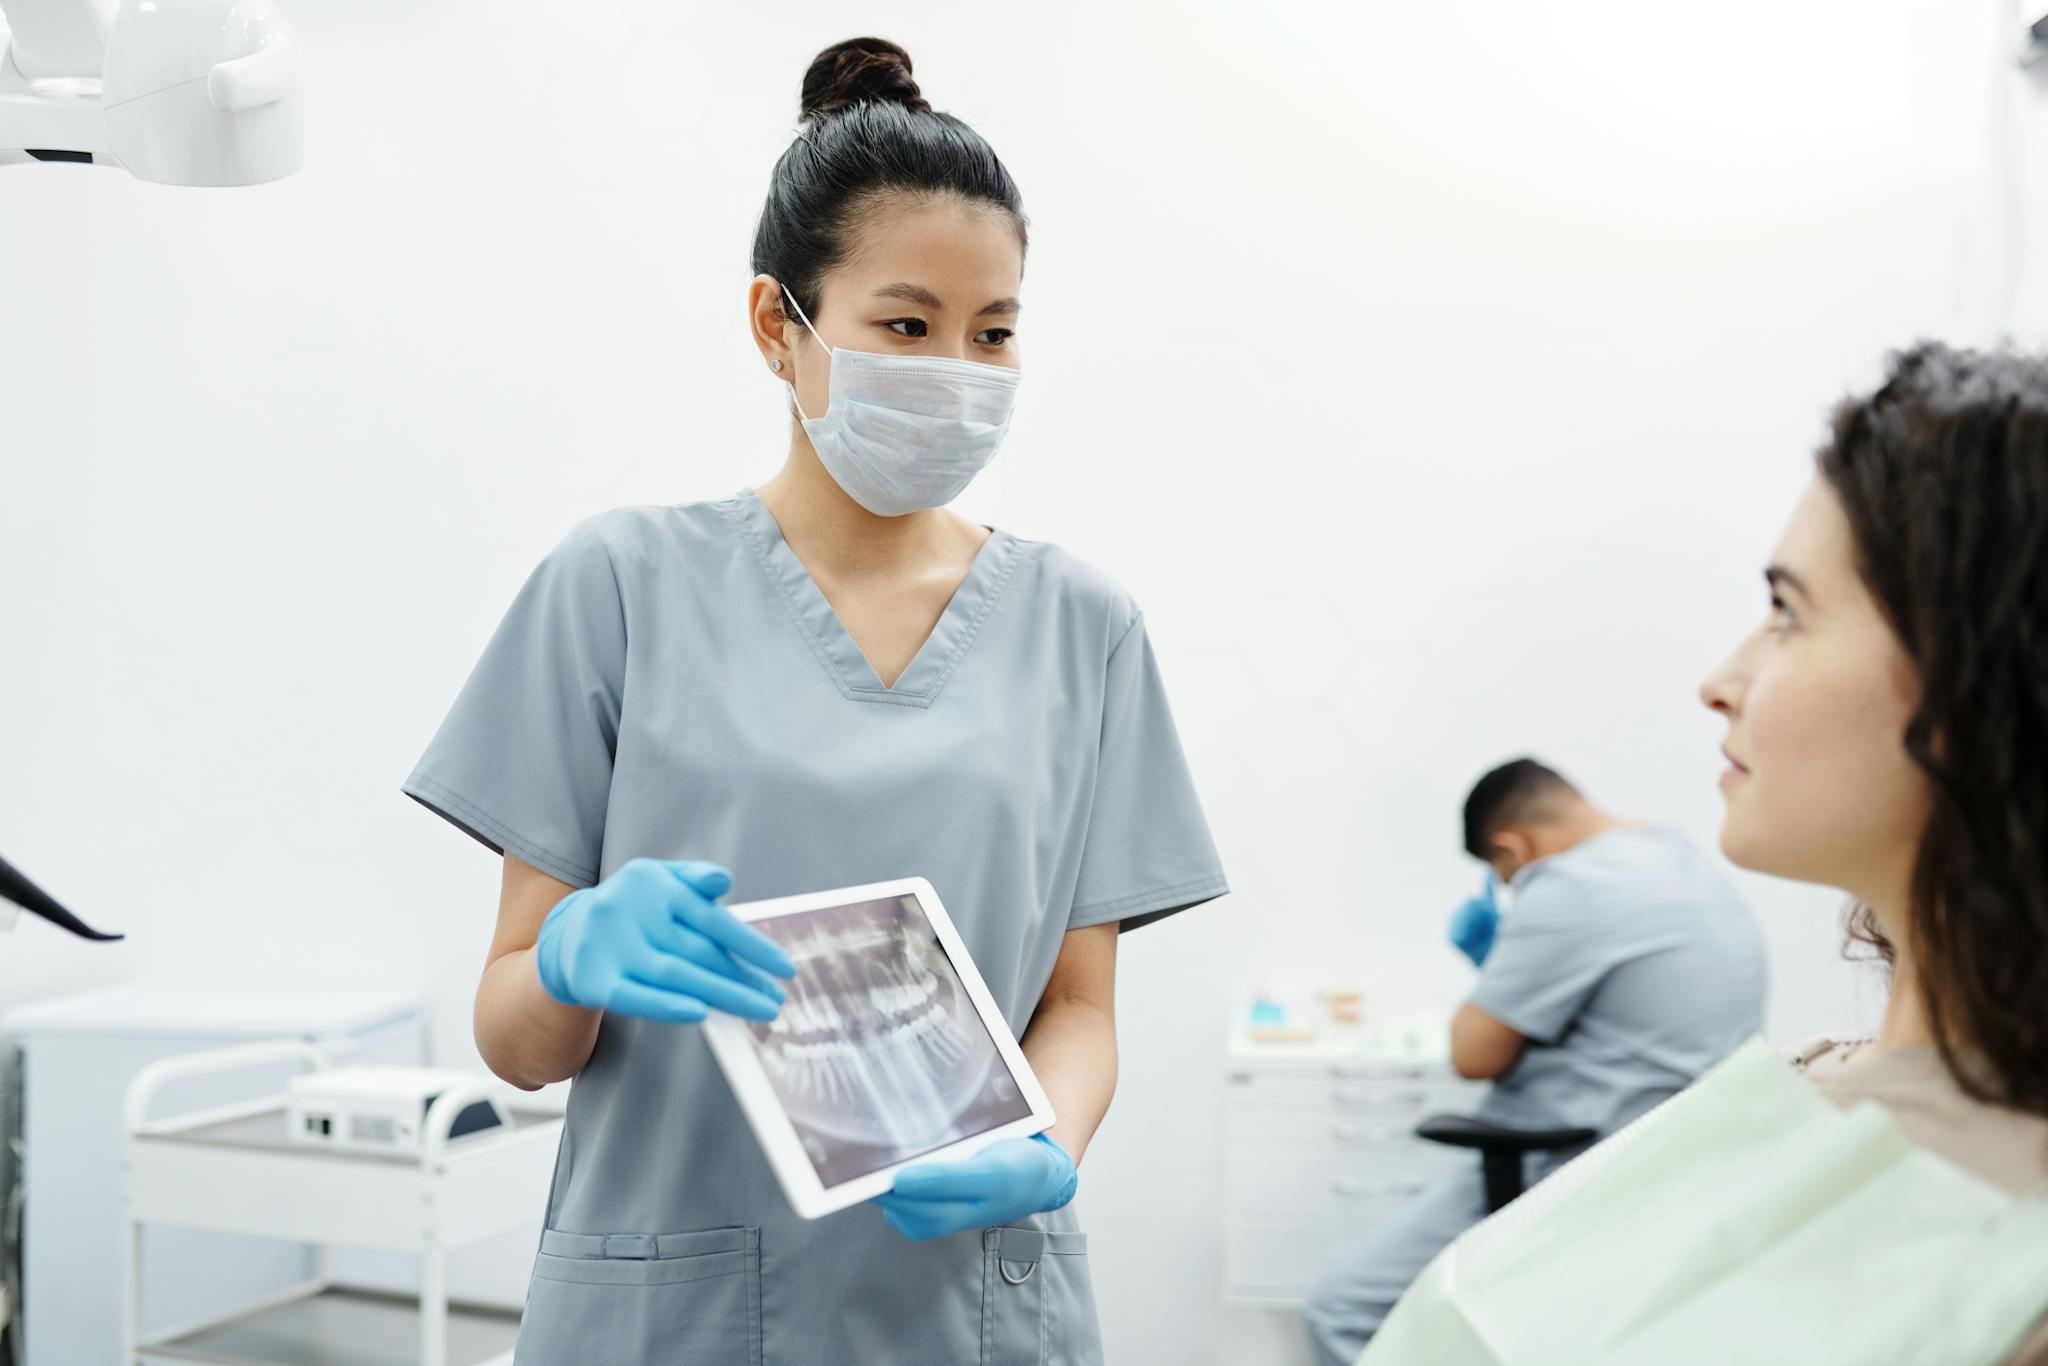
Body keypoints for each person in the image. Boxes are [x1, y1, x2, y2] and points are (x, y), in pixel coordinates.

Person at [401, 38, 1227, 1366]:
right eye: (906, 325)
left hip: (971, 1307)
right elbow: (517, 1041)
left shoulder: (1085, 627)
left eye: (995, 331)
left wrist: (1051, 1138)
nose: (959, 368)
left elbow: (1078, 1006)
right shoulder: (617, 585)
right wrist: (566, 958)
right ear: (779, 325)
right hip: (674, 1309)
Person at [1363, 342, 2048, 1363]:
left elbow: (1474, 1050)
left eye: (1785, 611)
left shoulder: (1998, 1250)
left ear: (1979, 681)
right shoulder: (1825, 1080)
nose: (1719, 679)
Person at [1303, 760, 1765, 1366]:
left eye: (1504, 875)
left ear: (1510, 847)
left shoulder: (1571, 886)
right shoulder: (1683, 860)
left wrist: (1496, 958)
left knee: (1342, 1307)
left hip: (1571, 1163)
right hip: (1676, 1164)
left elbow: (1471, 1055)